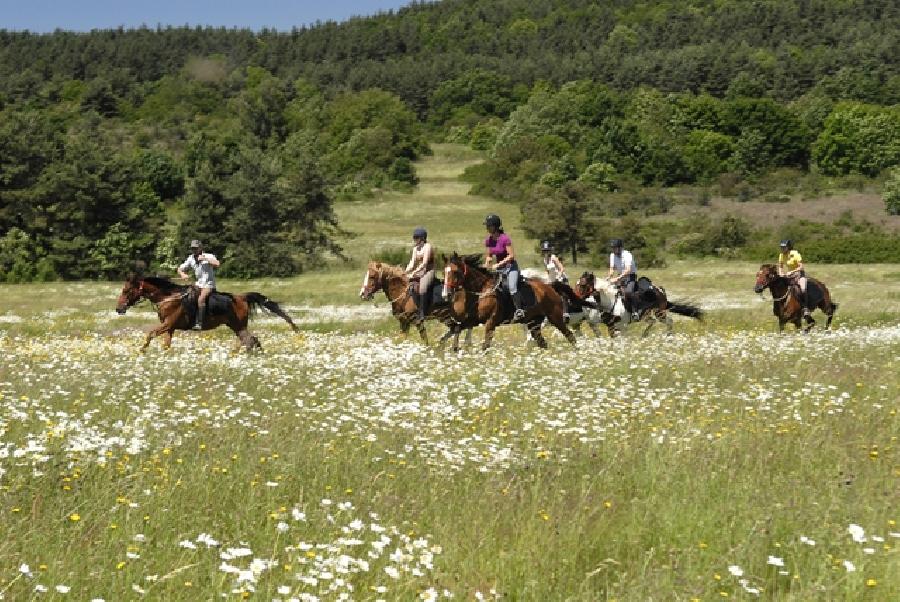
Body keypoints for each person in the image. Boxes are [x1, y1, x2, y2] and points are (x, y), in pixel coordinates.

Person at [483, 214, 525, 321]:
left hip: (511, 267)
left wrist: (498, 264)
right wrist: (487, 263)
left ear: (495, 226)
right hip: (499, 269)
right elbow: (489, 256)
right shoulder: (489, 240)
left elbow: (511, 256)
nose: (487, 228)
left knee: (512, 287)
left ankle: (519, 310)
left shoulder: (504, 238)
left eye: (489, 226)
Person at [178, 239, 220, 330]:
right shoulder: (191, 258)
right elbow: (180, 268)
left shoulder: (208, 255)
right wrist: (183, 274)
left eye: (196, 248)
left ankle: (199, 323)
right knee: (186, 296)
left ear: (201, 248)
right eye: (193, 248)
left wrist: (205, 259)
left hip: (208, 284)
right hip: (198, 284)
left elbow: (217, 264)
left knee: (201, 300)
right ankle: (188, 319)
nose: (194, 250)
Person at [405, 226, 435, 322]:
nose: (415, 240)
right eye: (414, 237)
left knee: (422, 288)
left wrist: (414, 272)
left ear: (422, 238)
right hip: (420, 271)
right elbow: (412, 263)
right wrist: (405, 272)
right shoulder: (415, 249)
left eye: (416, 238)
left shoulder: (427, 247)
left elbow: (425, 263)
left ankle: (422, 313)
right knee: (410, 285)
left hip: (429, 271)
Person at [607, 238, 639, 320]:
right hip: (620, 276)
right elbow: (612, 268)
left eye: (615, 248)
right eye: (613, 248)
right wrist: (609, 277)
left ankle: (635, 312)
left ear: (620, 247)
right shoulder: (612, 255)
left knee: (629, 292)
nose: (613, 250)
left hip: (630, 276)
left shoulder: (627, 255)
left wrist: (617, 278)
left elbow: (628, 270)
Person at [777, 239, 809, 317]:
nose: (782, 249)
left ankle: (805, 308)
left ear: (788, 247)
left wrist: (792, 271)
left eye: (784, 247)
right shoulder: (781, 255)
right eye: (781, 247)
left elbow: (801, 267)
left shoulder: (795, 253)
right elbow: (780, 266)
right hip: (789, 275)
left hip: (799, 274)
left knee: (803, 288)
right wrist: (781, 273)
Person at [541, 240, 570, 319]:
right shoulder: (544, 260)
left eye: (547, 250)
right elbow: (547, 271)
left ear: (550, 250)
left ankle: (566, 313)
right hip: (552, 280)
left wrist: (558, 277)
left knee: (564, 294)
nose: (546, 252)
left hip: (561, 279)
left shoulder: (553, 257)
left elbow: (561, 268)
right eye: (544, 251)